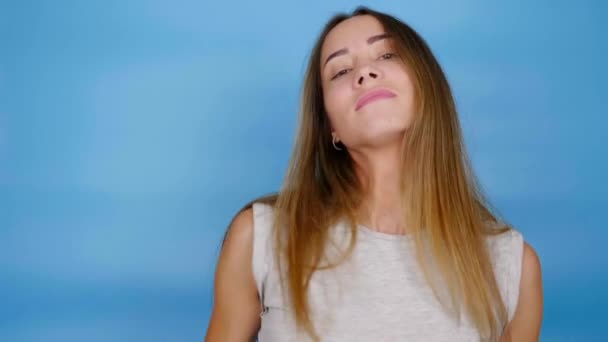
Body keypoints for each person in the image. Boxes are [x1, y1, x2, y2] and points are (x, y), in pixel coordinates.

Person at [205, 6, 543, 342]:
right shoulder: (262, 238)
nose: (364, 73)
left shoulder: (509, 266)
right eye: (339, 71)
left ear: (427, 85)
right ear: (329, 128)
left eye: (387, 55)